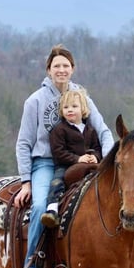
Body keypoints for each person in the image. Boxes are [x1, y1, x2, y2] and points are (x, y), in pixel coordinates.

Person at [14, 44, 134, 268]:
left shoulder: (82, 97)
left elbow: (104, 132)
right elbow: (23, 143)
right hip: (46, 163)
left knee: (115, 198)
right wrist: (25, 181)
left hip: (83, 161)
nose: (61, 70)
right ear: (48, 70)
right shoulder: (35, 102)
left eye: (65, 66)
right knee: (41, 205)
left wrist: (106, 162)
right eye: (56, 66)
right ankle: (33, 262)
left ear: (72, 69)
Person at [40, 87, 101, 228]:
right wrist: (77, 159)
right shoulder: (59, 130)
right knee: (57, 181)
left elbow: (97, 148)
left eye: (74, 106)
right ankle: (52, 209)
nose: (70, 110)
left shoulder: (90, 130)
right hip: (66, 165)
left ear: (83, 109)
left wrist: (95, 157)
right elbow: (58, 152)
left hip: (89, 166)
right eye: (66, 107)